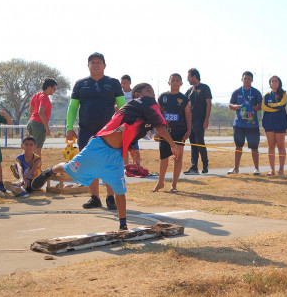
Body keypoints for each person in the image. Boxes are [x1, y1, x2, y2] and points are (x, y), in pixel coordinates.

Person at [31, 83, 178, 231]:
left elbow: (129, 130)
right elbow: (160, 127)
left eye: (153, 92)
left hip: (115, 155)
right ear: (138, 95)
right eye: (148, 91)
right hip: (99, 146)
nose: (152, 94)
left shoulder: (139, 114)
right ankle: (49, 172)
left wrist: (132, 149)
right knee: (69, 168)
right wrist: (173, 145)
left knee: (120, 191)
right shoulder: (145, 103)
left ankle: (123, 226)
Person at [65, 52, 126, 210]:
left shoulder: (113, 83)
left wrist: (125, 125)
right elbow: (72, 107)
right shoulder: (80, 84)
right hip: (86, 130)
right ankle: (94, 197)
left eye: (99, 62)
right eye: (92, 62)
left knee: (110, 163)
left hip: (109, 131)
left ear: (104, 65)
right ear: (88, 65)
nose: (96, 65)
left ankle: (111, 197)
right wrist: (69, 128)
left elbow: (122, 106)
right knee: (88, 162)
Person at [153, 73, 191, 192]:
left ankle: (174, 185)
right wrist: (157, 131)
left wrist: (189, 130)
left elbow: (188, 115)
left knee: (178, 157)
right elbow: (157, 114)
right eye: (172, 80)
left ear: (181, 83)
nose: (175, 82)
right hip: (165, 132)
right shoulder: (163, 97)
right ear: (169, 82)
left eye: (177, 80)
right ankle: (160, 183)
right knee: (164, 158)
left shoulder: (184, 99)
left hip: (180, 131)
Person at [228, 71, 263, 175]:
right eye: (245, 78)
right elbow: (230, 105)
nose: (247, 80)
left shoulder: (256, 92)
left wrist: (249, 108)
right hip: (239, 124)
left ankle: (257, 169)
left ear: (252, 80)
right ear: (242, 79)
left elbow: (261, 106)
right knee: (238, 146)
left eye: (249, 78)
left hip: (252, 125)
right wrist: (239, 107)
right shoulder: (237, 92)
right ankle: (236, 169)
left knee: (254, 147)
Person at [184, 68, 212, 175]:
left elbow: (209, 104)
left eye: (189, 77)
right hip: (190, 122)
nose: (188, 79)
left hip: (200, 121)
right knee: (193, 144)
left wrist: (206, 120)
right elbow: (183, 102)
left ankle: (205, 165)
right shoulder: (190, 90)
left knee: (200, 143)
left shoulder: (205, 88)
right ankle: (194, 167)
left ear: (194, 76)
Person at [262, 75, 287, 176]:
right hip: (268, 122)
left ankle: (281, 170)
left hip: (280, 122)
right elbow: (263, 106)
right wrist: (275, 107)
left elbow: (282, 105)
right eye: (272, 81)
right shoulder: (266, 95)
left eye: (276, 81)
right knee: (271, 146)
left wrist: (271, 106)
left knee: (281, 146)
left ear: (279, 82)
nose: (274, 82)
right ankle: (272, 170)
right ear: (270, 83)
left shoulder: (284, 94)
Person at [27, 78, 57, 156]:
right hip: (39, 124)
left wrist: (34, 118)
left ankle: (23, 164)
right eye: (54, 89)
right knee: (37, 148)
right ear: (49, 87)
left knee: (29, 146)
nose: (54, 91)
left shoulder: (37, 95)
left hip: (31, 122)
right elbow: (41, 112)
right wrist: (47, 127)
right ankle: (36, 168)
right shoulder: (45, 97)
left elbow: (31, 108)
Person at [120, 74, 140, 165]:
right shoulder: (119, 94)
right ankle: (126, 166)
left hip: (133, 123)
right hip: (122, 123)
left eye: (125, 83)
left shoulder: (134, 94)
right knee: (124, 146)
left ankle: (138, 166)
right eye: (122, 83)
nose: (123, 85)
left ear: (130, 82)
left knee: (134, 146)